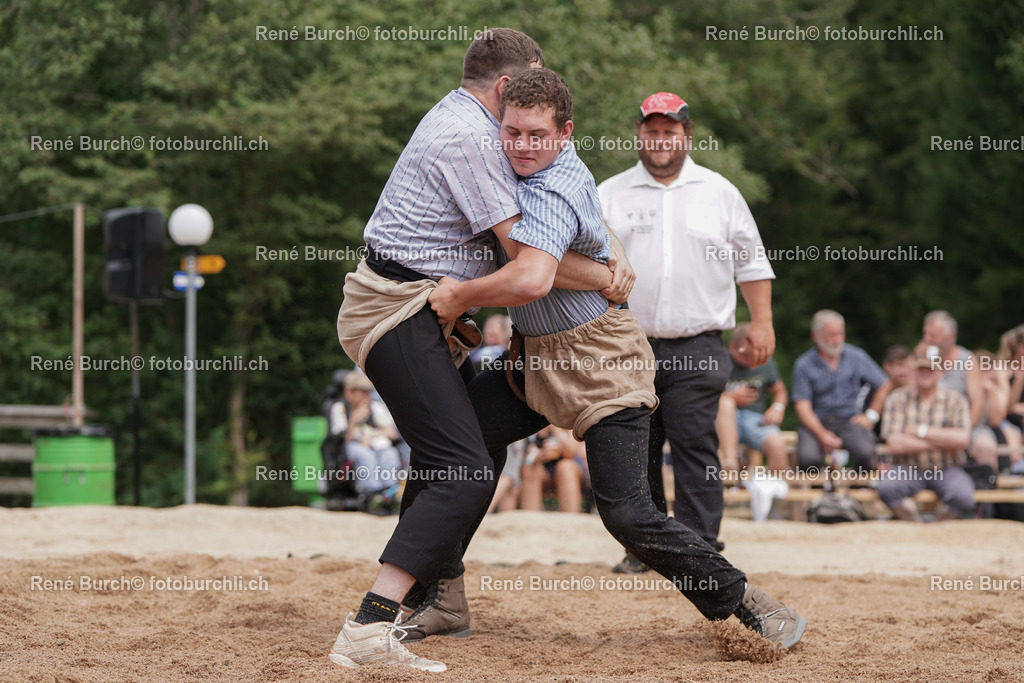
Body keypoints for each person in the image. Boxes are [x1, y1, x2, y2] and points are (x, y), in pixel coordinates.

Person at [422, 68, 805, 651]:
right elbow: (590, 230)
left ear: (565, 133)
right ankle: (440, 594)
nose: (522, 145)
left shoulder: (561, 181)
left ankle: (749, 603)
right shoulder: (550, 178)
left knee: (627, 513)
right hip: (535, 361)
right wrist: (612, 259)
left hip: (603, 362)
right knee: (455, 446)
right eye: (512, 132)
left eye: (536, 135)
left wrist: (459, 299)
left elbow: (535, 272)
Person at [329, 29, 628, 673]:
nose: (525, 117)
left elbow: (561, 209)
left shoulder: (472, 121)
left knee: (462, 460)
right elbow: (530, 263)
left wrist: (611, 248)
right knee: (463, 470)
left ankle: (439, 601)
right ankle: (369, 626)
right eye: (526, 83)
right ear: (504, 87)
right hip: (396, 310)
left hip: (414, 305)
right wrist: (610, 276)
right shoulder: (471, 138)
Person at [598, 91, 777, 557]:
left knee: (693, 439)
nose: (659, 139)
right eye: (651, 130)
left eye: (669, 131)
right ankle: (648, 549)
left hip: (698, 343)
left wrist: (762, 322)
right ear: (639, 134)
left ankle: (700, 548)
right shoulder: (609, 194)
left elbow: (752, 263)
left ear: (687, 135)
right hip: (626, 343)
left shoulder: (719, 192)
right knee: (637, 447)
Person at [878, 346, 974, 521]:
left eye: (931, 368)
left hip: (947, 467)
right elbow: (895, 444)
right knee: (887, 488)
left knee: (964, 496)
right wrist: (943, 440)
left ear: (941, 371)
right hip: (908, 467)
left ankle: (937, 529)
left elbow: (962, 439)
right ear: (913, 370)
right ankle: (917, 526)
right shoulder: (897, 398)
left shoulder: (956, 400)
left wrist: (921, 431)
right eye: (921, 368)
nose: (926, 372)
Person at [792, 310, 890, 472]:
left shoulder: (856, 356)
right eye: (831, 335)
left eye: (840, 334)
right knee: (808, 458)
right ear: (816, 336)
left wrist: (871, 416)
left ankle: (858, 491)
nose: (837, 340)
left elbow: (884, 384)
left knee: (866, 452)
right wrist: (822, 434)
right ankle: (816, 495)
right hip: (817, 421)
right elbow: (802, 407)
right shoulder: (804, 364)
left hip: (849, 421)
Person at [922, 310, 997, 471]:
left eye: (933, 336)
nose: (927, 340)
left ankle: (989, 494)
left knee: (986, 446)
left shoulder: (968, 361)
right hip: (929, 429)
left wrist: (961, 434)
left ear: (950, 337)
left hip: (967, 427)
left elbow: (978, 404)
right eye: (926, 335)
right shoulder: (924, 359)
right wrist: (921, 356)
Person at [716, 322, 790, 474]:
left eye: (754, 354)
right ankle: (731, 464)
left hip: (755, 420)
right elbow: (701, 394)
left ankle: (774, 491)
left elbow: (779, 391)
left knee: (777, 444)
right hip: (722, 421)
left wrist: (777, 408)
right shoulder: (718, 362)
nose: (751, 360)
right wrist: (731, 397)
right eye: (745, 355)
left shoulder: (765, 361)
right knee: (726, 402)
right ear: (732, 346)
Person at [329, 371, 403, 509]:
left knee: (390, 453)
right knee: (364, 454)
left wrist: (370, 436)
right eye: (363, 393)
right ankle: (372, 493)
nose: (367, 397)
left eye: (368, 393)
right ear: (349, 392)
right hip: (351, 448)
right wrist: (354, 420)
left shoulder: (376, 407)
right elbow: (342, 437)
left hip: (377, 445)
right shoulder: (339, 409)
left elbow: (392, 433)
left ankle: (389, 492)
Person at [519, 426, 590, 512]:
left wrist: (556, 431)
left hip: (570, 468)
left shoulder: (566, 424)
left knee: (564, 467)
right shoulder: (532, 429)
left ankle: (571, 516)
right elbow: (526, 460)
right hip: (544, 471)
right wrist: (539, 455)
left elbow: (572, 452)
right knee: (529, 468)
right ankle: (530, 516)